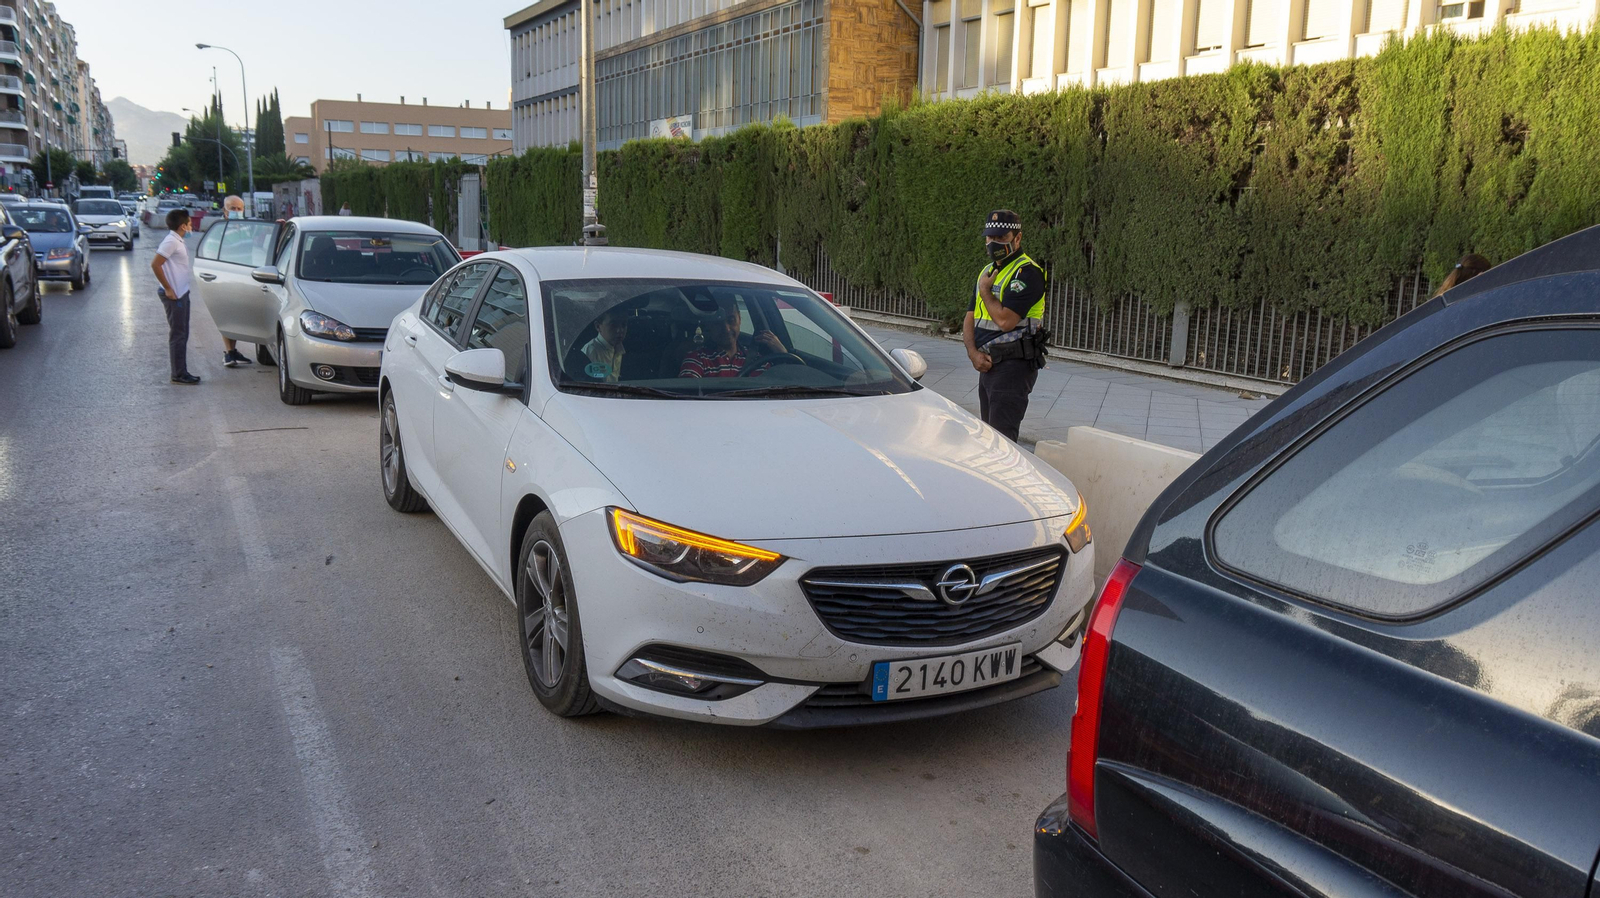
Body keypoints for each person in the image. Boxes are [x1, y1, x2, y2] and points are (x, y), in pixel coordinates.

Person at [963, 209, 1049, 442]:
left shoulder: (1027, 273)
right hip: (988, 365)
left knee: (1002, 441)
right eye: (990, 238)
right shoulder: (987, 271)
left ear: (1017, 238)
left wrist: (985, 291)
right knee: (989, 436)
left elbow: (1005, 321)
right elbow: (970, 316)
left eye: (1001, 238)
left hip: (1013, 367)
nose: (993, 243)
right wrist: (972, 353)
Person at [151, 208, 200, 385]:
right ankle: (178, 373)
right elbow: (156, 264)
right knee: (178, 334)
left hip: (182, 292)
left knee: (183, 333)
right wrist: (168, 288)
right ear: (183, 226)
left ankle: (181, 370)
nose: (191, 226)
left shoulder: (177, 240)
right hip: (174, 295)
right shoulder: (171, 241)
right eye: (189, 224)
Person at [678, 300, 784, 378]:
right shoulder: (697, 359)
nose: (726, 329)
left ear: (740, 319)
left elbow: (783, 387)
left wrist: (782, 353)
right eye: (718, 322)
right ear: (708, 325)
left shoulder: (758, 360)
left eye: (731, 320)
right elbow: (688, 398)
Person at [217, 196, 255, 368]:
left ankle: (233, 351)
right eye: (233, 208)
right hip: (226, 277)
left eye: (240, 209)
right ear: (225, 210)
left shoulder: (247, 226)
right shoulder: (220, 229)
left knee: (238, 316)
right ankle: (228, 352)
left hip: (244, 276)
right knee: (227, 315)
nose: (237, 212)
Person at [582, 308, 630, 382]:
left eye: (623, 325)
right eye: (613, 325)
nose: (620, 330)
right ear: (598, 326)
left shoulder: (622, 349)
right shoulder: (591, 351)